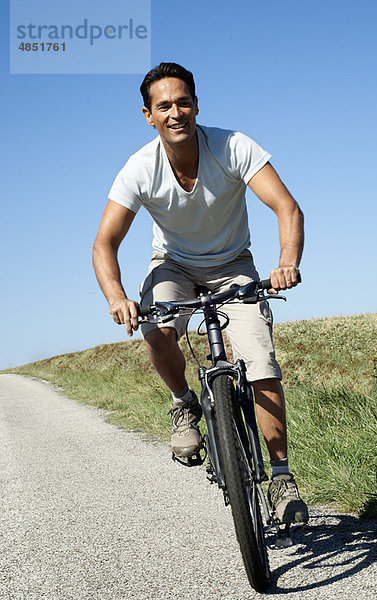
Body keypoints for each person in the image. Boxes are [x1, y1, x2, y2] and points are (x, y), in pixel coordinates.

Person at [93, 62, 308, 524]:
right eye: (164, 106)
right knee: (157, 330)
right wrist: (117, 297)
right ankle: (183, 404)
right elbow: (104, 243)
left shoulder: (233, 146)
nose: (176, 112)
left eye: (183, 102)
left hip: (235, 267)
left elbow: (286, 206)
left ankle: (281, 478)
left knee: (261, 359)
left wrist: (287, 261)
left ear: (196, 104)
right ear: (148, 115)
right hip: (173, 266)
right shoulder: (139, 169)